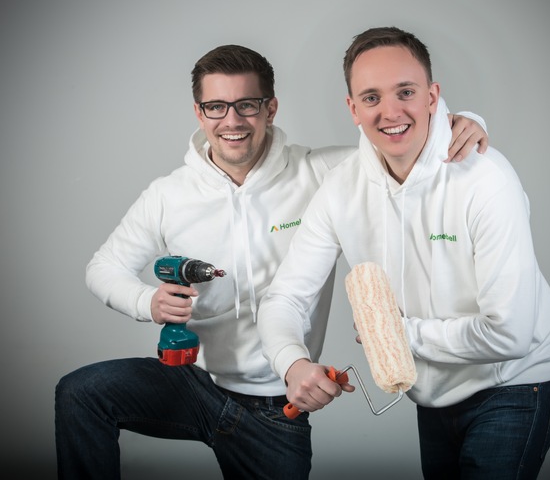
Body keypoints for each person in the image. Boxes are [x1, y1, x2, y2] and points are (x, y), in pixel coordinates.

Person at [54, 43, 488, 480]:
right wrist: (146, 302)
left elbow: (402, 143)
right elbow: (102, 268)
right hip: (194, 382)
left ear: (270, 109)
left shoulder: (320, 173)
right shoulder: (168, 196)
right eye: (216, 107)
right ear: (199, 113)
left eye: (247, 104)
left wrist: (463, 121)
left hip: (277, 404)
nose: (232, 121)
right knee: (81, 393)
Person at [257, 27, 550, 479]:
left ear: (432, 96)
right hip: (432, 392)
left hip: (515, 382)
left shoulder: (486, 180)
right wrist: (293, 363)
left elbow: (511, 334)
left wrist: (397, 333)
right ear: (353, 109)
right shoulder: (341, 189)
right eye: (371, 97)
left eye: (406, 92)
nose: (390, 112)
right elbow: (285, 296)